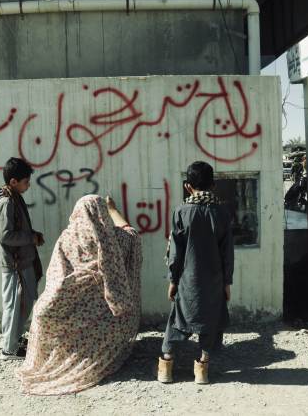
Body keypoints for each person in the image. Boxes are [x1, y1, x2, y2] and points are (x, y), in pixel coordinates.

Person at [16, 195, 142, 395]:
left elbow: (56, 276)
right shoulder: (114, 239)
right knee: (117, 312)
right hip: (106, 312)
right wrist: (113, 209)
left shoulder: (66, 238)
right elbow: (133, 235)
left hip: (64, 305)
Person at [158, 161, 234, 385]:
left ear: (187, 186)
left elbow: (175, 251)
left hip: (187, 281)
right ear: (213, 185)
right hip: (214, 281)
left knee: (177, 320)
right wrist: (227, 282)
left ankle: (166, 369)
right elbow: (227, 252)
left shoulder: (181, 211)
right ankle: (202, 371)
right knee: (211, 322)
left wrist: (172, 280)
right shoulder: (222, 212)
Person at [0, 157, 45, 360]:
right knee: (14, 304)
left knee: (25, 301)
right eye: (25, 182)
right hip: (15, 263)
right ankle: (9, 349)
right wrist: (31, 237)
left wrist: (32, 235)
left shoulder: (13, 196)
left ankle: (14, 339)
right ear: (13, 182)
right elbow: (6, 235)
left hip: (22, 260)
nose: (28, 185)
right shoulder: (5, 201)